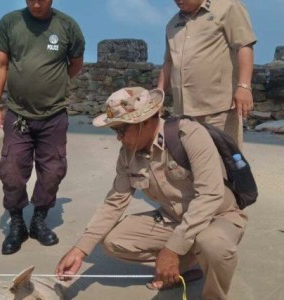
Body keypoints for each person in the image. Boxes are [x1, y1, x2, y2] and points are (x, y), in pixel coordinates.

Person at [55, 87, 248, 300]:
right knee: (113, 240)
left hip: (216, 217)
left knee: (213, 246)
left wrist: (172, 249)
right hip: (174, 218)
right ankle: (188, 262)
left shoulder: (190, 135)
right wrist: (80, 250)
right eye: (115, 131)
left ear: (145, 122)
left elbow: (210, 196)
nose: (119, 138)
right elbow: (114, 202)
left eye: (121, 130)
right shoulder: (127, 155)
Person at [0, 0, 85, 255]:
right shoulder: (10, 23)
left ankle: (39, 219)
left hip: (54, 115)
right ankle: (17, 222)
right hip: (18, 114)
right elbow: (0, 65)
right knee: (11, 170)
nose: (37, 3)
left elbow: (75, 64)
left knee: (53, 170)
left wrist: (55, 84)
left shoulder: (68, 26)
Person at [157, 0, 257, 148]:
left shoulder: (227, 7)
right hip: (184, 112)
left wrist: (244, 86)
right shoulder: (172, 25)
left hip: (219, 109)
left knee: (226, 161)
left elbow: (244, 45)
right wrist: (158, 96)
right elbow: (169, 62)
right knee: (190, 164)